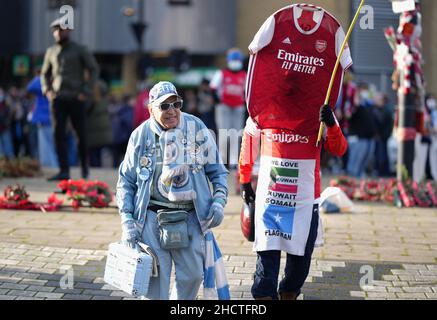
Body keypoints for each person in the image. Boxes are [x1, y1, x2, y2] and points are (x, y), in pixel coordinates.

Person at [240, 3, 352, 300]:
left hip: (307, 198)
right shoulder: (264, 112)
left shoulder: (320, 115)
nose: (293, 88)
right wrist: (244, 184)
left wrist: (332, 125)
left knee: (299, 266)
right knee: (266, 266)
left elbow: (340, 150)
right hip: (271, 198)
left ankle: (289, 294)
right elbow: (248, 143)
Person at [116, 81, 229, 300]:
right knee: (155, 286)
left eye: (176, 104)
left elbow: (218, 172)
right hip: (151, 218)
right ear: (150, 109)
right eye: (164, 106)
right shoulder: (140, 136)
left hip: (191, 217)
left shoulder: (196, 127)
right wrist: (127, 222)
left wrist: (218, 201)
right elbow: (126, 182)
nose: (172, 111)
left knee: (194, 276)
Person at [41, 18, 99, 181]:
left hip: (76, 98)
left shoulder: (80, 49)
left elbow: (93, 69)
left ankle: (84, 169)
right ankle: (63, 170)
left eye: (63, 29)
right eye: (56, 29)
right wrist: (47, 90)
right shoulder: (51, 51)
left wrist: (86, 91)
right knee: (58, 134)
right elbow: (44, 73)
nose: (59, 32)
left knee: (81, 135)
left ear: (69, 31)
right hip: (58, 99)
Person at [210, 48, 247, 169]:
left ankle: (233, 162)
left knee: (236, 135)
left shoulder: (244, 75)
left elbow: (247, 91)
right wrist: (218, 101)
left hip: (238, 107)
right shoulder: (222, 73)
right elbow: (213, 88)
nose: (235, 62)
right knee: (224, 134)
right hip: (224, 107)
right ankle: (222, 161)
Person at [26, 69, 59, 167]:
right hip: (52, 118)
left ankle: (51, 166)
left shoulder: (42, 82)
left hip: (44, 118)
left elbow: (30, 87)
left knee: (46, 144)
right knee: (50, 144)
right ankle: (51, 165)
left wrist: (40, 76)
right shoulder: (55, 82)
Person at [346, 83, 377, 178]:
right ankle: (351, 180)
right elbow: (348, 115)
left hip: (368, 138)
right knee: (355, 161)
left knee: (364, 161)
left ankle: (358, 179)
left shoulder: (367, 104)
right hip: (358, 138)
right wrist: (355, 102)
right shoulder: (353, 104)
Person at [86, 79, 113, 167]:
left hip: (93, 131)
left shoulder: (90, 101)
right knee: (99, 153)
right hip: (103, 132)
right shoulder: (105, 100)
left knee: (93, 154)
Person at [373, 93, 394, 177]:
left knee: (381, 155)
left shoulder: (385, 109)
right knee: (382, 154)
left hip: (383, 136)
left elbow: (382, 121)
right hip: (383, 136)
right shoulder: (384, 109)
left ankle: (382, 172)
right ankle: (383, 171)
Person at [111, 95, 134, 168]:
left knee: (116, 158)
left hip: (116, 136)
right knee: (126, 157)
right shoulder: (127, 110)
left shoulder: (118, 109)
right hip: (124, 137)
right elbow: (129, 123)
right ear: (128, 101)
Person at [0, 88, 14, 158]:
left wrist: (7, 122)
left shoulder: (6, 102)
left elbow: (10, 113)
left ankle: (11, 160)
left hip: (5, 127)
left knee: (8, 145)